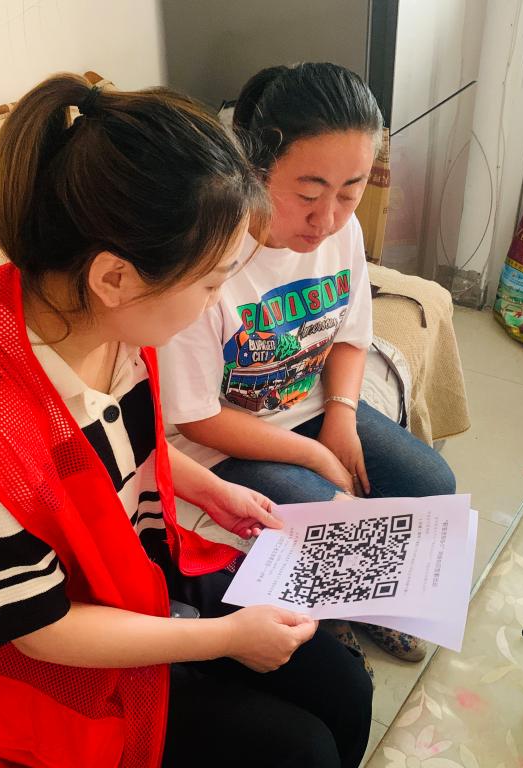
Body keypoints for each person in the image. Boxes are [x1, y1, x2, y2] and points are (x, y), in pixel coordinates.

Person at [0, 73, 372, 768]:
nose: (216, 304)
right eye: (210, 282)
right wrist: (224, 639)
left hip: (131, 570)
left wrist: (211, 490)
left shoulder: (103, 317)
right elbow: (39, 631)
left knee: (343, 688)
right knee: (301, 749)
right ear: (115, 277)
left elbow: (107, 456)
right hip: (43, 650)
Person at [159, 63, 457, 664]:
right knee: (325, 515)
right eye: (308, 194)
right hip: (225, 439)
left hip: (309, 404)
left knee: (432, 485)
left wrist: (341, 417)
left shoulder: (340, 234)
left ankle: (370, 601)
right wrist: (315, 454)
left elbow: (350, 336)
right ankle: (333, 617)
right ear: (256, 168)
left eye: (350, 192)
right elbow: (195, 418)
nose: (328, 220)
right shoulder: (211, 254)